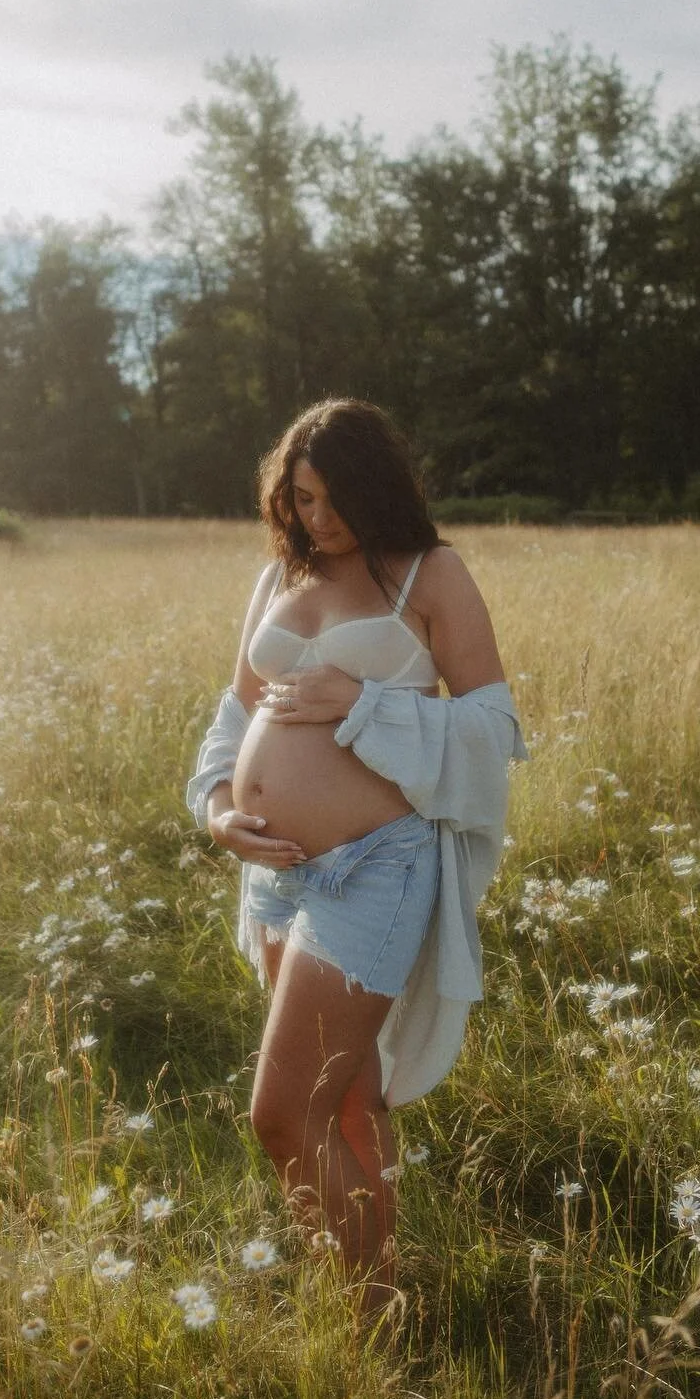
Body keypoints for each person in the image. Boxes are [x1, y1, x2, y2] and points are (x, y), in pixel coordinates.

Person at [186, 399, 525, 1313]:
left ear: (379, 488)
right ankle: (367, 1292)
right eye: (302, 499)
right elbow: (235, 714)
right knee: (346, 1098)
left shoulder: (431, 574)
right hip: (275, 874)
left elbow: (493, 726)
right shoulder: (279, 574)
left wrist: (362, 702)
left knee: (281, 1113)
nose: (319, 518)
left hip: (375, 868)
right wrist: (218, 809)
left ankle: (369, 1310)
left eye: (336, 499)